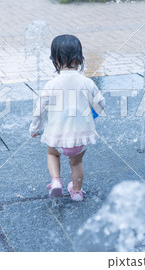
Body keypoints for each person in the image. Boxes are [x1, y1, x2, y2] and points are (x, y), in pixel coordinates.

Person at [29, 35, 105, 201]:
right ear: (80, 59)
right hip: (81, 137)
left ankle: (56, 181)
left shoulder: (51, 84)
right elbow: (100, 103)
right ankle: (77, 191)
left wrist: (34, 128)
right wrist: (94, 114)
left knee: (52, 154)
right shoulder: (87, 82)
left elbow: (40, 110)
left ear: (55, 60)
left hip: (57, 136)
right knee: (76, 163)